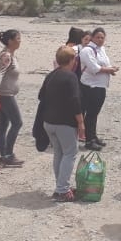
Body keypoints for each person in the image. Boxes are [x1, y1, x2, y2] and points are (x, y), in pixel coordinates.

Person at [39, 46, 86, 202]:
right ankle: (62, 189)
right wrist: (81, 122)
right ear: (72, 60)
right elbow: (75, 101)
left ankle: (60, 186)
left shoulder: (51, 75)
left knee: (59, 153)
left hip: (49, 121)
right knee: (70, 153)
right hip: (64, 123)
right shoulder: (70, 77)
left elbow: (41, 96)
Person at [78, 27, 119, 150]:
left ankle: (93, 136)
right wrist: (109, 70)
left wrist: (111, 69)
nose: (100, 40)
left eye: (102, 37)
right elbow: (94, 68)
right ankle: (89, 140)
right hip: (90, 86)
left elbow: (105, 64)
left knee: (95, 113)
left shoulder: (101, 50)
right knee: (90, 113)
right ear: (92, 38)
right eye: (98, 37)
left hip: (100, 86)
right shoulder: (87, 51)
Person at [0, 30, 25, 167]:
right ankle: (8, 155)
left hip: (6, 93)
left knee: (4, 125)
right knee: (17, 123)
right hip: (5, 95)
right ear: (10, 41)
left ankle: (3, 155)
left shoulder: (10, 54)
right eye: (18, 38)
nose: (20, 41)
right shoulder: (6, 55)